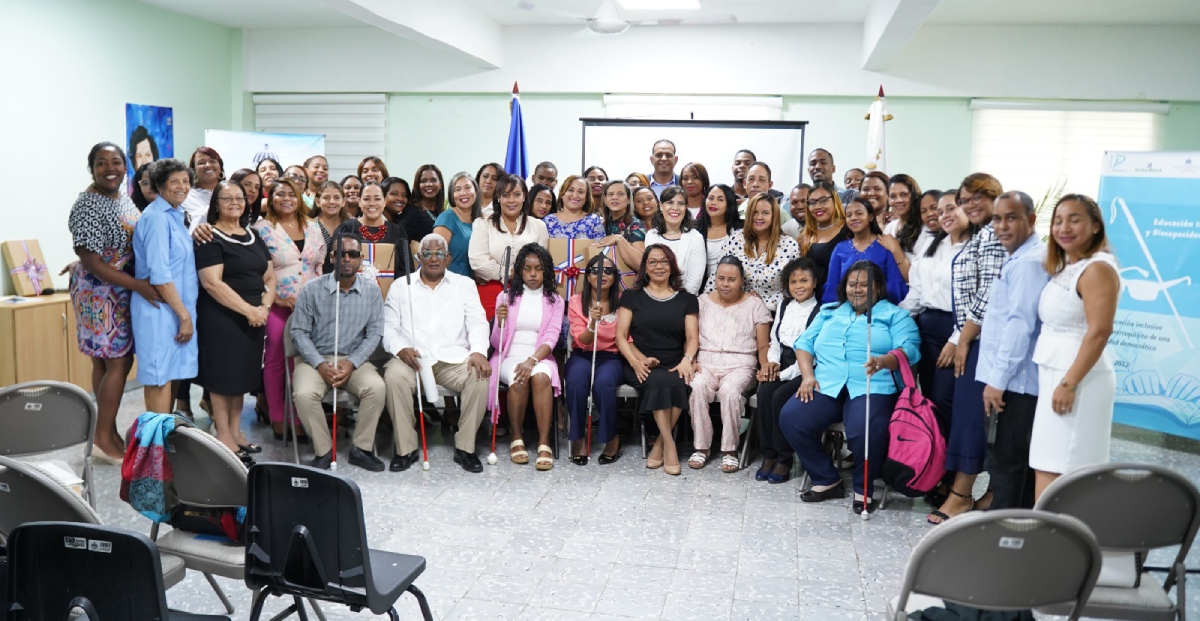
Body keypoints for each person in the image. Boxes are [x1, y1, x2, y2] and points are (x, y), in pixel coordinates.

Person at [780, 261, 920, 514]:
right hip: (827, 382)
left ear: (877, 288)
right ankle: (826, 478)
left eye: (864, 285)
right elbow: (804, 344)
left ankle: (863, 487)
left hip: (872, 384)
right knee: (792, 417)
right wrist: (807, 376)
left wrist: (884, 360)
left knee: (864, 428)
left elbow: (910, 349)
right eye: (852, 284)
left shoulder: (894, 315)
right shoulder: (830, 311)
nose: (857, 290)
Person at [69, 142, 156, 463]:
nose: (110, 168)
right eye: (102, 163)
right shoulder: (88, 204)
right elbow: (90, 259)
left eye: (116, 162)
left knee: (105, 363)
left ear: (125, 166)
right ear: (91, 168)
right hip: (101, 291)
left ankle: (106, 431)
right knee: (118, 362)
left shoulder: (121, 198)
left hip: (115, 288)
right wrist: (138, 285)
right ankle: (103, 436)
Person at [1030, 194, 1119, 500]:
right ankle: (1050, 541)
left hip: (1077, 379)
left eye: (1074, 219)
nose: (1063, 227)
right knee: (1048, 462)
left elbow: (1100, 331)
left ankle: (1056, 541)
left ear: (1095, 225)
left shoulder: (1097, 269)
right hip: (1056, 373)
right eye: (1057, 220)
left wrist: (1069, 383)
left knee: (1063, 466)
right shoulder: (1070, 265)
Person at [383, 234, 491, 473]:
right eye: (428, 253)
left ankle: (465, 447)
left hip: (450, 359)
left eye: (440, 253)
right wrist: (400, 349)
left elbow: (478, 322)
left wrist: (478, 352)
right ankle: (406, 449)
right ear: (418, 257)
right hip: (411, 359)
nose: (434, 258)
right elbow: (388, 327)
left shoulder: (464, 285)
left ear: (448, 258)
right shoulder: (401, 286)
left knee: (479, 375)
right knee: (394, 378)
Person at [977, 191, 1049, 512]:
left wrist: (997, 381)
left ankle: (1004, 541)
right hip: (1010, 381)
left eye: (1011, 217)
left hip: (1014, 385)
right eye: (997, 218)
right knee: (1011, 465)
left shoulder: (1029, 264)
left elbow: (1020, 326)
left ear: (1031, 220)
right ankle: (1013, 536)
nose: (1002, 225)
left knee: (1007, 465)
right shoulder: (1019, 258)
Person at [290, 233, 387, 471]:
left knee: (377, 388)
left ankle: (361, 449)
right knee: (303, 394)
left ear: (361, 259)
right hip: (316, 359)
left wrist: (352, 363)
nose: (346, 258)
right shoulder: (311, 289)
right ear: (332, 257)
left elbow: (374, 333)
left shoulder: (372, 292)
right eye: (340, 253)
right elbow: (299, 332)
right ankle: (324, 451)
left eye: (352, 254)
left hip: (353, 361)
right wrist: (319, 364)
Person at [942, 172, 1007, 519]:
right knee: (972, 416)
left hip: (983, 339)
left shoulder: (995, 233)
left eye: (976, 197)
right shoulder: (982, 234)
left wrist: (963, 339)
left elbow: (989, 293)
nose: (970, 205)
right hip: (975, 335)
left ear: (994, 195)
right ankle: (991, 493)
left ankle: (962, 493)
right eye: (965, 200)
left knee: (970, 417)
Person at [195, 181, 274, 459]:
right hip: (222, 317)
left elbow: (269, 276)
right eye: (227, 198)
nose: (234, 202)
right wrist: (249, 311)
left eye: (239, 198)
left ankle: (237, 432)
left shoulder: (253, 235)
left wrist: (264, 307)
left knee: (241, 377)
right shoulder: (209, 237)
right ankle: (224, 435)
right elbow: (212, 283)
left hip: (253, 317)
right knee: (222, 378)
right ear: (216, 203)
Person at [900, 193, 975, 467]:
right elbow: (916, 294)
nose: (942, 215)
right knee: (930, 400)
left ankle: (949, 472)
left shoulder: (975, 248)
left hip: (959, 329)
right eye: (937, 211)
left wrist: (957, 339)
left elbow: (979, 300)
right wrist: (892, 319)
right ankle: (933, 466)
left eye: (949, 208)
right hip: (927, 328)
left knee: (946, 403)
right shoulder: (932, 246)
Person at [616, 245, 699, 476]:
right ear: (645, 267)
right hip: (640, 363)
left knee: (675, 380)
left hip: (675, 363)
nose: (658, 266)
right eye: (652, 262)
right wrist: (635, 362)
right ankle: (670, 447)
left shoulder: (687, 299)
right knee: (661, 381)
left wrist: (687, 359)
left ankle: (661, 445)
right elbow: (621, 337)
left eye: (664, 261)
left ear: (672, 266)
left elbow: (692, 338)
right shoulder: (631, 297)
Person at [254, 178, 325, 441]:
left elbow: (318, 266)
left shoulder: (313, 227)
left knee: (303, 362)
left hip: (310, 307)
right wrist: (276, 299)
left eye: (291, 194)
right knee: (275, 360)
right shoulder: (261, 229)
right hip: (277, 304)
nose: (286, 199)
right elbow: (255, 271)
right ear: (270, 199)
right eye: (279, 194)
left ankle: (302, 417)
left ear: (299, 198)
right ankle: (279, 418)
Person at [688, 256, 772, 473]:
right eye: (721, 278)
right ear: (714, 278)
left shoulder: (755, 304)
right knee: (697, 387)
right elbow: (690, 338)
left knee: (730, 392)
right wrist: (691, 360)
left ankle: (730, 450)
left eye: (731, 279)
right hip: (706, 362)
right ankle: (701, 447)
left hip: (741, 365)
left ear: (742, 280)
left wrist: (764, 367)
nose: (725, 284)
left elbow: (763, 345)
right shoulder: (701, 302)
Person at [132, 158, 199, 415]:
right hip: (160, 310)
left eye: (186, 181)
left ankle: (161, 444)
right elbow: (159, 274)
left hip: (174, 308)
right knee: (159, 378)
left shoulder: (175, 215)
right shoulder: (157, 218)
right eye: (174, 182)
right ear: (160, 185)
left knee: (170, 375)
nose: (182, 187)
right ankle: (155, 450)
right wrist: (184, 316)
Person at [489, 244, 564, 470]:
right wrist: (499, 322)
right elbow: (496, 344)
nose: (533, 273)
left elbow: (551, 337)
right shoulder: (505, 297)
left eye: (538, 269)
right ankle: (517, 437)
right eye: (527, 268)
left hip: (540, 356)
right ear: (519, 271)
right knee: (518, 378)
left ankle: (544, 441)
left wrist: (532, 360)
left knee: (541, 377)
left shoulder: (555, 301)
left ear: (546, 271)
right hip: (508, 356)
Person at [754, 258, 821, 484]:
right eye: (793, 282)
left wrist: (781, 375)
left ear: (815, 283)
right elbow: (775, 341)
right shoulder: (784, 305)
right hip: (782, 360)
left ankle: (784, 458)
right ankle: (768, 454)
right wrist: (770, 364)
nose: (798, 286)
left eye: (804, 280)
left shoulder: (820, 311)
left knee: (779, 396)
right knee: (764, 393)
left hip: (805, 368)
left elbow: (811, 354)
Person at [565, 253, 623, 465]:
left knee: (603, 384)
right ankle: (579, 438)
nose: (602, 275)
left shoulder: (623, 302)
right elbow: (582, 340)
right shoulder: (576, 301)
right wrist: (592, 323)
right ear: (588, 276)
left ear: (615, 277)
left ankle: (611, 438)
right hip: (583, 353)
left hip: (611, 356)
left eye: (608, 271)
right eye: (596, 271)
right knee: (576, 382)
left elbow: (627, 338)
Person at [469, 175, 550, 320]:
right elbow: (477, 261)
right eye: (505, 195)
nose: (511, 200)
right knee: (490, 337)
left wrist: (519, 275)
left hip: (528, 293)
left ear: (524, 197)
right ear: (498, 198)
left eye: (517, 194)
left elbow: (543, 263)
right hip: (491, 292)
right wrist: (509, 274)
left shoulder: (538, 226)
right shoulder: (483, 224)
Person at [706, 193, 800, 310]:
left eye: (765, 213)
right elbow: (717, 275)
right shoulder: (736, 239)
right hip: (735, 309)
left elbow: (796, 287)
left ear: (774, 216)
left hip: (773, 312)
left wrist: (763, 302)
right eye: (755, 212)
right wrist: (706, 304)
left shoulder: (789, 245)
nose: (759, 217)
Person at [822, 197, 908, 304]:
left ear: (871, 217)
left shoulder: (885, 245)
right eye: (849, 215)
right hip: (845, 309)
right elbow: (832, 285)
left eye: (859, 213)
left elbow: (894, 284)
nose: (853, 218)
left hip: (880, 308)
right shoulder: (840, 249)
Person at [645, 186, 705, 294]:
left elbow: (694, 282)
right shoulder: (651, 235)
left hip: (684, 301)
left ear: (686, 208)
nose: (675, 208)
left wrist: (674, 303)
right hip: (653, 297)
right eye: (670, 202)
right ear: (661, 206)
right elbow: (649, 272)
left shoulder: (695, 238)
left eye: (680, 203)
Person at [798, 181, 851, 291]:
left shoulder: (848, 229)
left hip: (839, 298)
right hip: (810, 301)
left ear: (835, 200)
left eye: (823, 201)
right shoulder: (806, 234)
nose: (817, 206)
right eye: (812, 202)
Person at [434, 171, 482, 279]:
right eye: (457, 189)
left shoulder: (482, 219)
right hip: (450, 281)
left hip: (475, 283)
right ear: (452, 195)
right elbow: (435, 256)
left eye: (467, 187)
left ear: (475, 191)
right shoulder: (447, 218)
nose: (463, 193)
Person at [335, 182, 405, 255]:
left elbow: (406, 265)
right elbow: (332, 262)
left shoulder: (397, 231)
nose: (372, 203)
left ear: (384, 202)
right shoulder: (346, 228)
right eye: (366, 199)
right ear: (359, 202)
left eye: (377, 199)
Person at [884, 174, 931, 278]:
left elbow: (914, 278)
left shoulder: (925, 229)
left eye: (904, 194)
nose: (898, 200)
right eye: (893, 196)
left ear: (914, 196)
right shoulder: (890, 227)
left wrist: (895, 249)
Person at [696, 184, 743, 286]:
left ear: (729, 205)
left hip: (732, 285)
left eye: (720, 199)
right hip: (701, 285)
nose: (714, 203)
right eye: (711, 198)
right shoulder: (694, 229)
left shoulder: (740, 229)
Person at [595, 179, 645, 271]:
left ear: (629, 200)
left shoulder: (635, 225)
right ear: (605, 200)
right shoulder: (601, 225)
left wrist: (619, 239)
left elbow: (641, 264)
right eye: (610, 194)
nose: (615, 197)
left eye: (620, 194)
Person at [544, 174, 603, 239]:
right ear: (562, 193)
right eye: (571, 190)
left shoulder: (594, 221)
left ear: (586, 197)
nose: (575, 196)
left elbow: (600, 248)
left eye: (581, 192)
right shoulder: (548, 221)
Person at [181, 147, 223, 233]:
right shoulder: (186, 196)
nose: (208, 165)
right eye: (201, 163)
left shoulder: (233, 192)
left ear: (220, 166)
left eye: (212, 161)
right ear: (193, 170)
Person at [313, 181, 350, 273]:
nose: (332, 202)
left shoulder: (351, 225)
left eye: (337, 198)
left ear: (343, 202)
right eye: (326, 198)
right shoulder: (309, 226)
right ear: (318, 202)